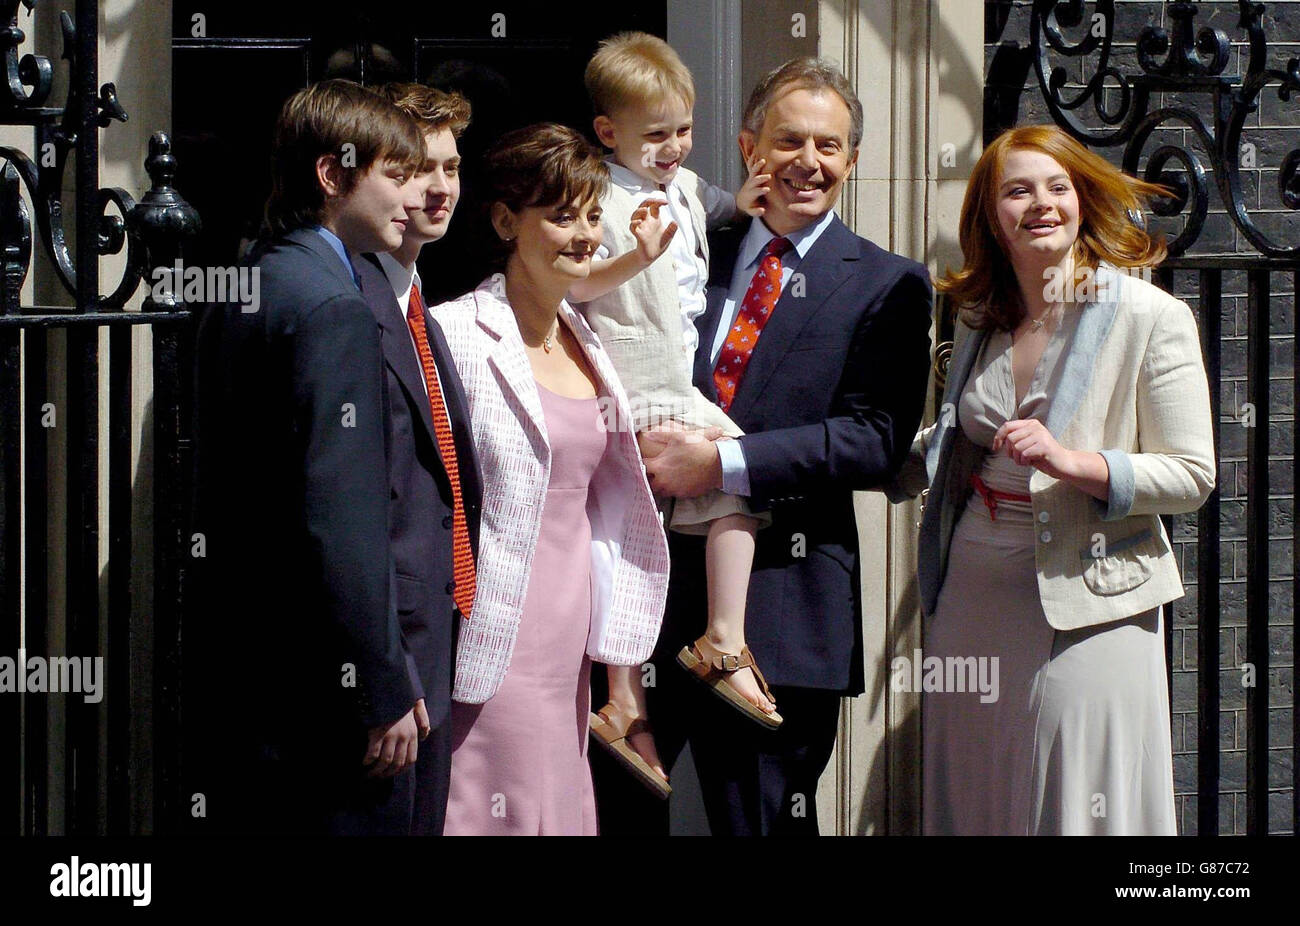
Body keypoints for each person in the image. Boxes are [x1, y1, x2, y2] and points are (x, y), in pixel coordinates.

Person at [603, 58, 933, 836]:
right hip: (637, 603)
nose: (808, 162)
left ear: (852, 160)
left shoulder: (886, 284)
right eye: (789, 141)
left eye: (830, 146)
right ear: (750, 147)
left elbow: (876, 441)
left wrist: (719, 463)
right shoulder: (686, 245)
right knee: (603, 814)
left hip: (779, 618)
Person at [887, 124, 1215, 834]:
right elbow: (965, 434)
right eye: (1017, 190)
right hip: (975, 587)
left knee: (1076, 785)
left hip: (1092, 596)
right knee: (978, 780)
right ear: (990, 216)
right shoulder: (980, 317)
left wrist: (1073, 462)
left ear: (1082, 200)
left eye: (1057, 187)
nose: (1041, 204)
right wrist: (861, 455)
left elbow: (1192, 474)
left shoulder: (1149, 316)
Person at [191, 80, 429, 834]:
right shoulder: (333, 306)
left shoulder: (254, 278)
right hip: (316, 698)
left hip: (249, 676)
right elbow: (341, 519)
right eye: (394, 172)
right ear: (333, 175)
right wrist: (379, 686)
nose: (414, 193)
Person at [429, 123, 670, 835]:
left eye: (593, 215)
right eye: (562, 216)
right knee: (490, 801)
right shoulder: (455, 335)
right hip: (493, 622)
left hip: (573, 628)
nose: (585, 234)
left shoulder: (582, 333)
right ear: (506, 221)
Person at [569, 32, 779, 787]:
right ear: (607, 133)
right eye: (655, 134)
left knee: (724, 481)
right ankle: (649, 685)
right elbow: (574, 282)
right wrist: (637, 256)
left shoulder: (688, 188)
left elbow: (717, 204)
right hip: (628, 385)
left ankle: (692, 659)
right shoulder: (593, 194)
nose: (673, 147)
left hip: (674, 385)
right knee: (646, 533)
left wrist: (748, 199)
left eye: (683, 130)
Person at [351, 82, 481, 836]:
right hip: (387, 664)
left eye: (452, 167)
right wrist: (384, 678)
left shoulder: (416, 300)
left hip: (441, 632)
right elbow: (347, 510)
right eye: (417, 169)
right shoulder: (353, 301)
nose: (439, 189)